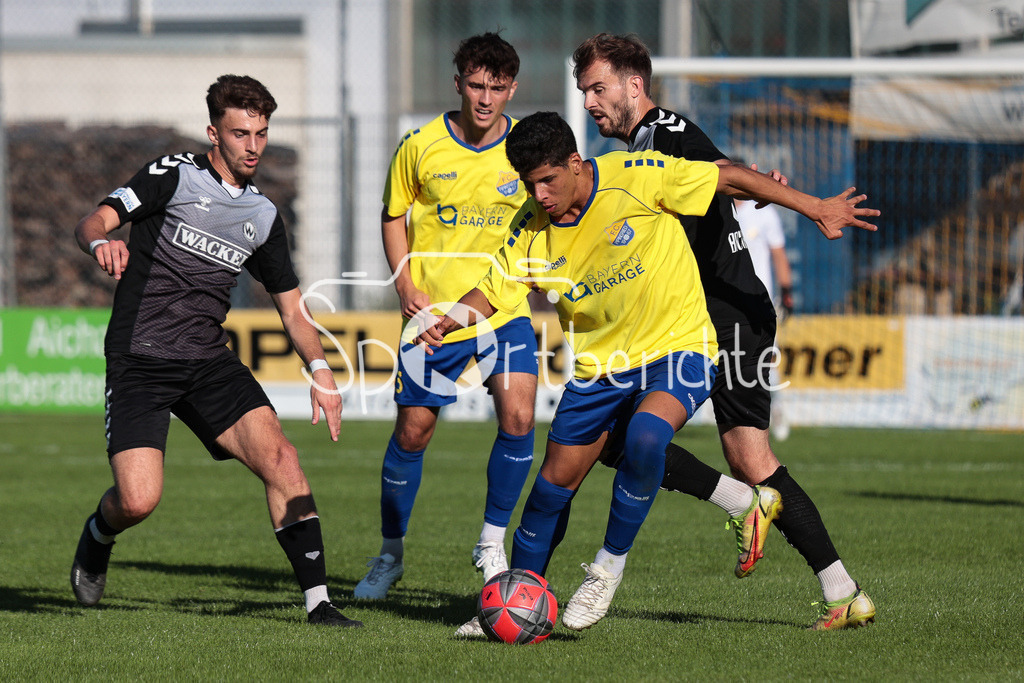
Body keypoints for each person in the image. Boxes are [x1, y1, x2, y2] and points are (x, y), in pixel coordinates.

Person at [413, 111, 879, 632]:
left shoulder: (635, 173)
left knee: (645, 437)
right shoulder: (531, 227)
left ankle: (606, 571)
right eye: (528, 183)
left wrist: (817, 207)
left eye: (547, 180)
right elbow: (496, 285)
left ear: (574, 163)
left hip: (680, 347)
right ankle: (515, 605)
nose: (538, 194)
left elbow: (726, 176)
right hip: (599, 368)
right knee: (549, 490)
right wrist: (450, 318)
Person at [572, 32, 875, 630]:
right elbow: (728, 178)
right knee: (739, 459)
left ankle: (783, 537)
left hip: (725, 318)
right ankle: (843, 591)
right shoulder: (656, 141)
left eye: (598, 89)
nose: (589, 103)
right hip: (704, 317)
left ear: (635, 85)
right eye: (584, 92)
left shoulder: (666, 133)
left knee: (629, 436)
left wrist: (810, 206)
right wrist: (758, 183)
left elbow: (726, 175)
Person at [69, 74, 361, 627]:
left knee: (283, 460)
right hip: (141, 358)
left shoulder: (263, 216)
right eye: (241, 132)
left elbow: (293, 310)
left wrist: (321, 369)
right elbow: (94, 220)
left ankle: (320, 604)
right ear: (214, 132)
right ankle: (97, 534)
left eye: (262, 133)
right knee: (138, 501)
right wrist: (102, 242)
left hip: (207, 362)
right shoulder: (171, 176)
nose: (253, 145)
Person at [354, 33, 537, 600]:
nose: (486, 98)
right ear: (458, 82)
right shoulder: (420, 145)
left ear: (512, 89)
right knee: (414, 431)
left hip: (501, 312)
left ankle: (490, 542)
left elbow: (543, 224)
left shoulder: (525, 150)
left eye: (497, 87)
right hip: (433, 320)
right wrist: (405, 284)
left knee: (520, 419)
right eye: (477, 85)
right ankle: (390, 553)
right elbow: (393, 215)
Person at [732, 187, 793, 441]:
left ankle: (776, 409)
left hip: (760, 300)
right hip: (727, 301)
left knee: (766, 359)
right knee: (729, 361)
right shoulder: (718, 212)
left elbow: (778, 253)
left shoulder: (764, 212)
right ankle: (734, 420)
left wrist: (787, 292)